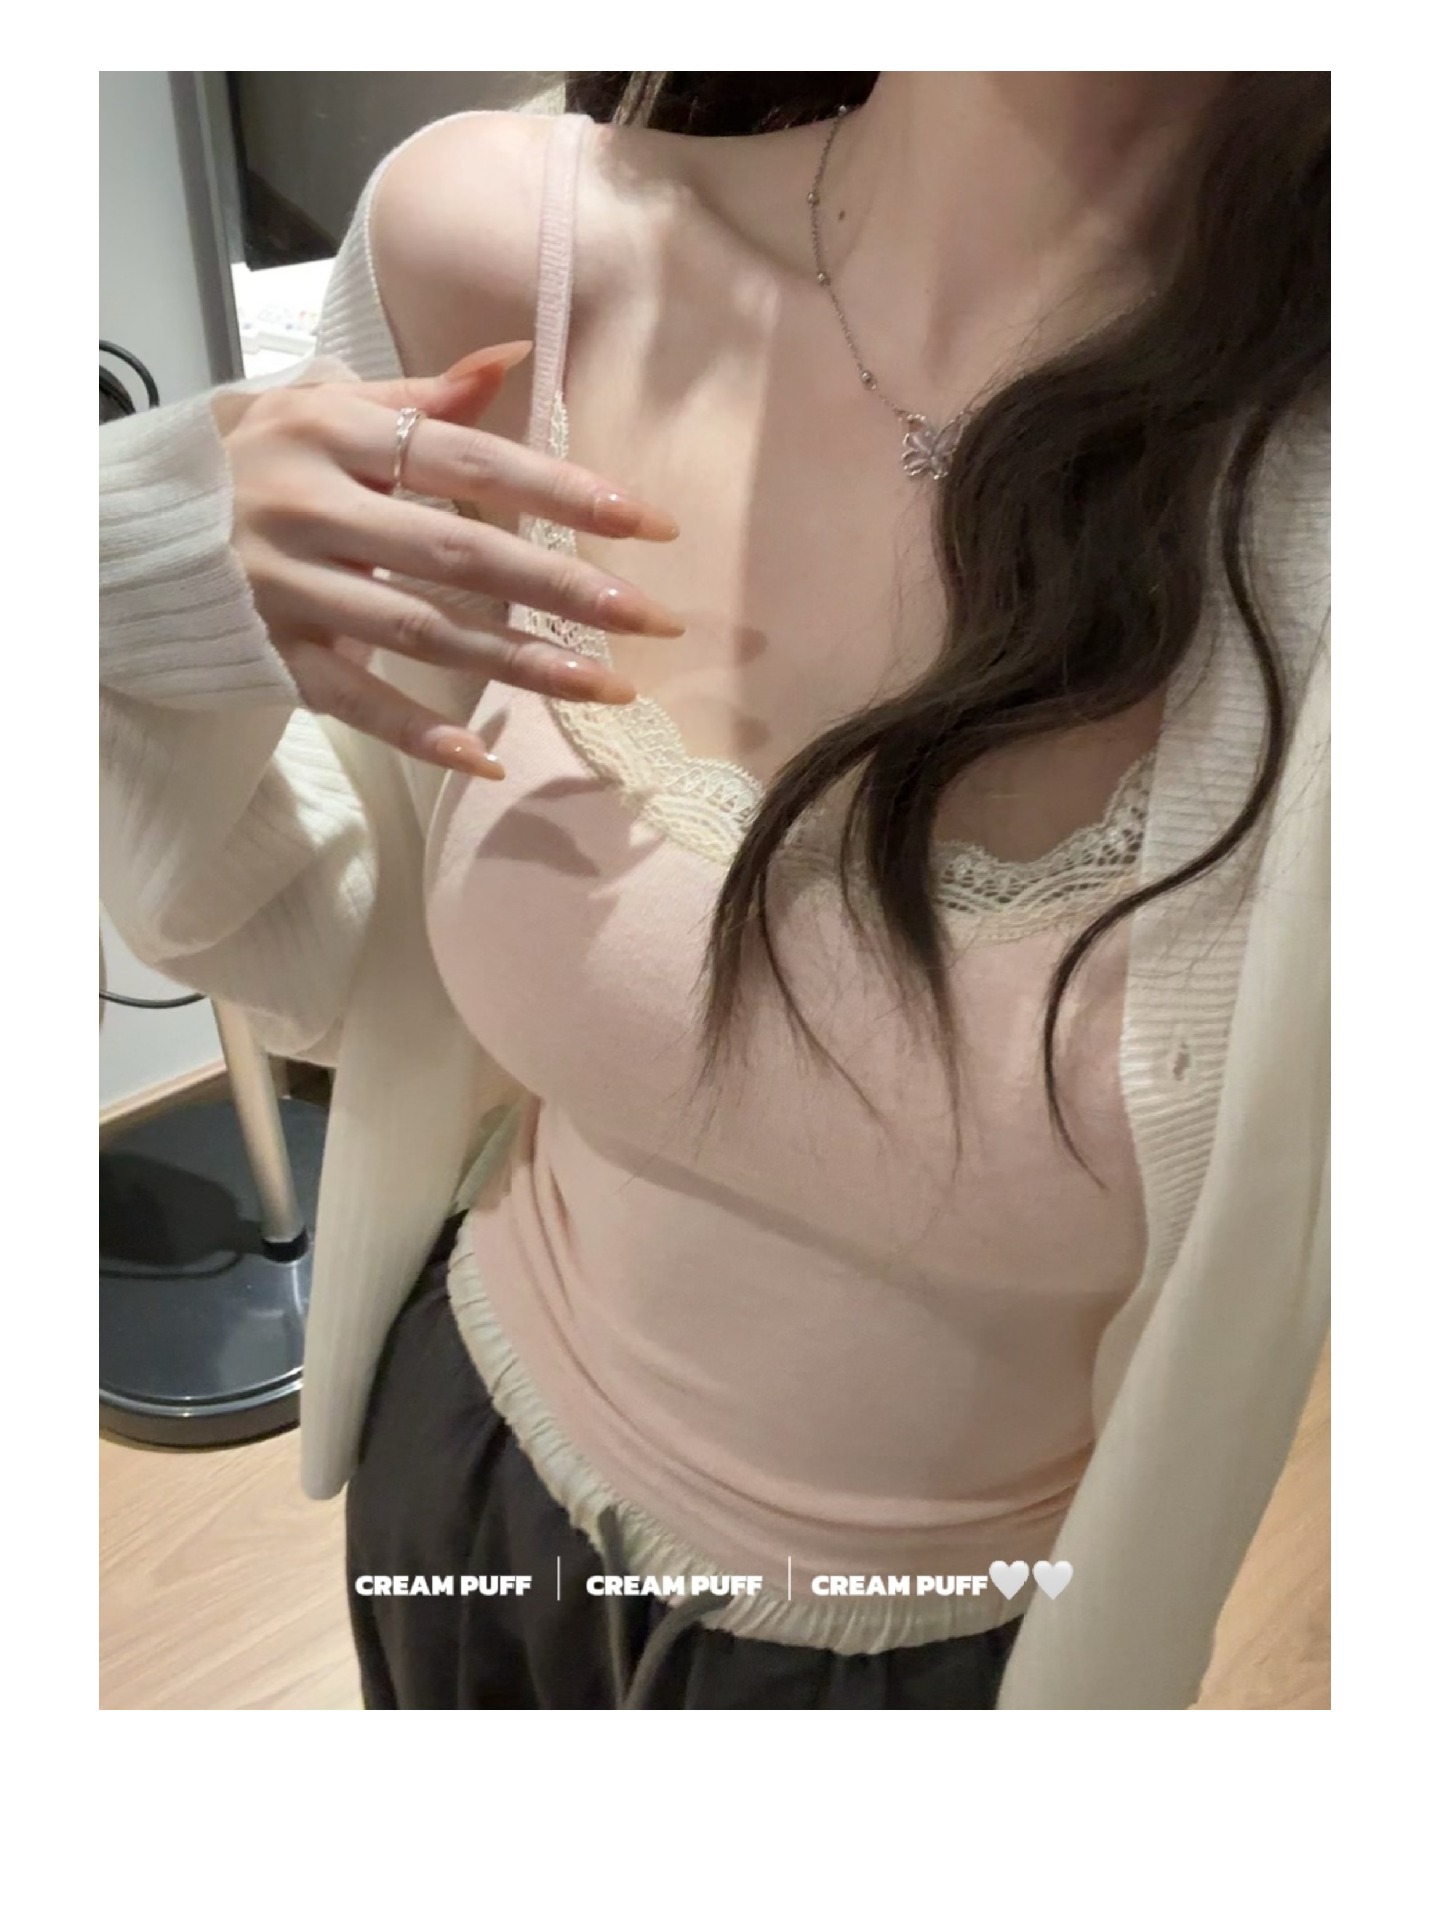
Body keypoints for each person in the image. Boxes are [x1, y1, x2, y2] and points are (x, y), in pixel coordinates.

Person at [99, 72, 1330, 1709]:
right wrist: (122, 562)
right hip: (459, 1463)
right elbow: (308, 952)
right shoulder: (493, 254)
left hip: (940, 1654)